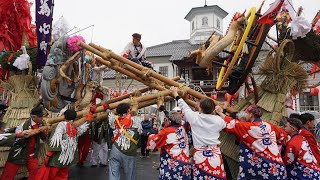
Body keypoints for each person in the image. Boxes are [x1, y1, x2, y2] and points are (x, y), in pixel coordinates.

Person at [215, 104, 289, 180]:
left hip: (260, 167)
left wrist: (220, 112)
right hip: (277, 166)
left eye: (246, 113)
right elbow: (283, 137)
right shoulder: (269, 125)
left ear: (250, 115)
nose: (244, 114)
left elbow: (231, 123)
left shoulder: (248, 127)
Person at [170, 87, 227, 179]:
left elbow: (183, 106)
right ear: (213, 109)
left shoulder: (194, 117)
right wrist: (220, 112)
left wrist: (175, 93)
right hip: (215, 155)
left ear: (200, 108)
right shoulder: (218, 120)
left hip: (200, 155)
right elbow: (225, 124)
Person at [35, 108, 97, 180]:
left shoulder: (61, 125)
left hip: (57, 158)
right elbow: (85, 126)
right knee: (63, 176)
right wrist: (90, 114)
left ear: (64, 117)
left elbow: (55, 142)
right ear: (75, 117)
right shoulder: (75, 128)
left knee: (50, 176)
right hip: (67, 159)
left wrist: (48, 155)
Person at [0, 106, 48, 180]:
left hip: (32, 154)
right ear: (34, 117)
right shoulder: (23, 126)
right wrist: (24, 135)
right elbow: (15, 140)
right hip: (19, 153)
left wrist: (43, 133)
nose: (42, 118)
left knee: (35, 172)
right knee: (8, 174)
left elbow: (43, 138)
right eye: (41, 117)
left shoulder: (41, 124)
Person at [147, 111, 191, 179]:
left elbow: (153, 141)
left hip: (172, 164)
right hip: (185, 162)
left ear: (169, 121)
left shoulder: (167, 131)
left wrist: (150, 135)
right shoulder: (182, 128)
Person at [108, 103, 142, 180]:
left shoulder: (114, 119)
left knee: (113, 173)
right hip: (129, 150)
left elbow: (109, 114)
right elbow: (140, 133)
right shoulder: (136, 120)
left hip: (115, 149)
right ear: (128, 110)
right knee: (129, 174)